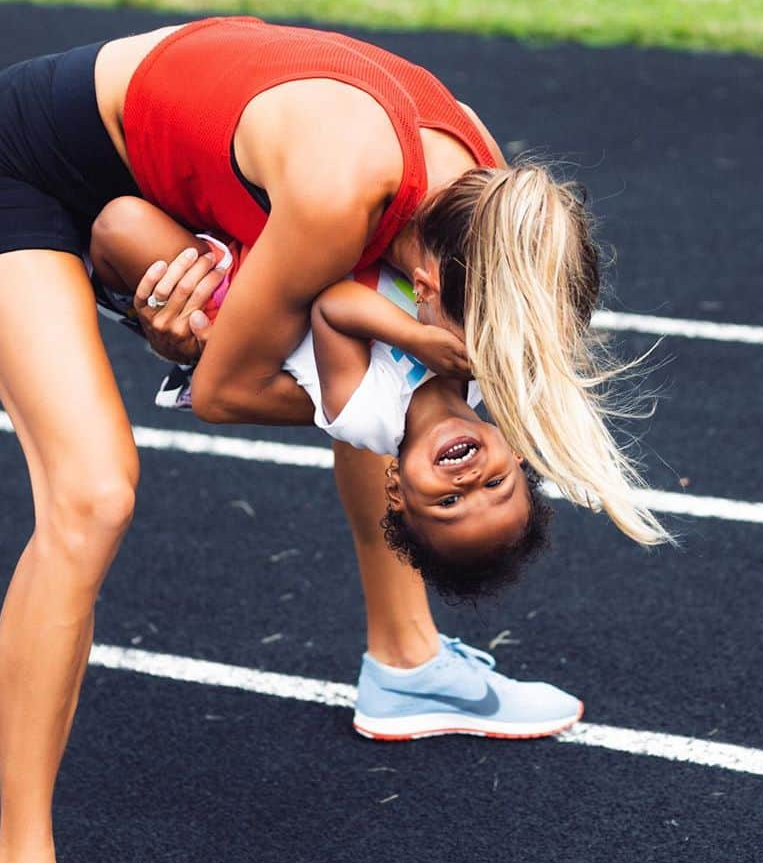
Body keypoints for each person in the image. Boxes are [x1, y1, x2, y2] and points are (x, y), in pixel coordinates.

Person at [0, 16, 665, 863]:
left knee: (411, 399)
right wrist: (220, 344)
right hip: (25, 163)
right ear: (439, 285)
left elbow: (372, 361)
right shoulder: (342, 197)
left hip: (184, 181)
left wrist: (413, 390)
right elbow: (229, 392)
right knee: (93, 492)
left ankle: (406, 667)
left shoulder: (487, 195)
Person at [86, 195, 552, 601]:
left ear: (396, 493)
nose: (467, 481)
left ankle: (88, 265)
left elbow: (335, 306)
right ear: (513, 452)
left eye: (448, 504)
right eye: (494, 486)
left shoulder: (368, 416)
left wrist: (417, 338)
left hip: (241, 293)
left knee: (121, 225)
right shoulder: (479, 374)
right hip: (320, 237)